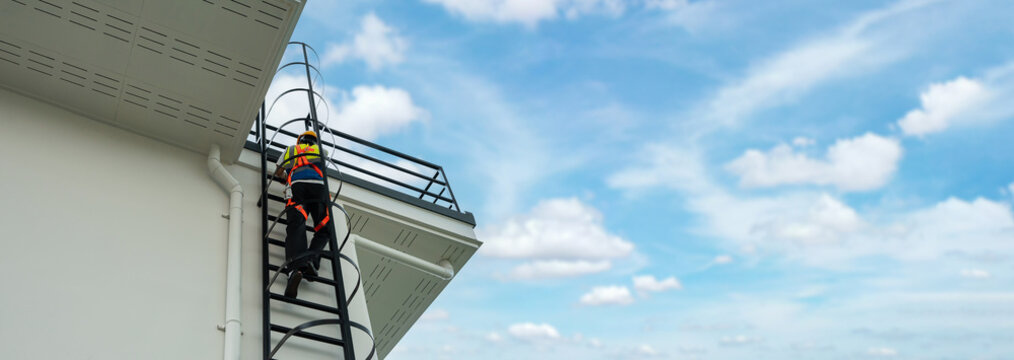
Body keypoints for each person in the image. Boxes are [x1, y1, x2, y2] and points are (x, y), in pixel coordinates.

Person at [274, 130, 331, 298]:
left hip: (297, 186)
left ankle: (295, 270)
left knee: (296, 225)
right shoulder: (322, 151)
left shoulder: (291, 150)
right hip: (318, 188)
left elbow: (278, 172)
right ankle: (312, 260)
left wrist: (285, 176)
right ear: (315, 141)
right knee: (324, 228)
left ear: (300, 141)